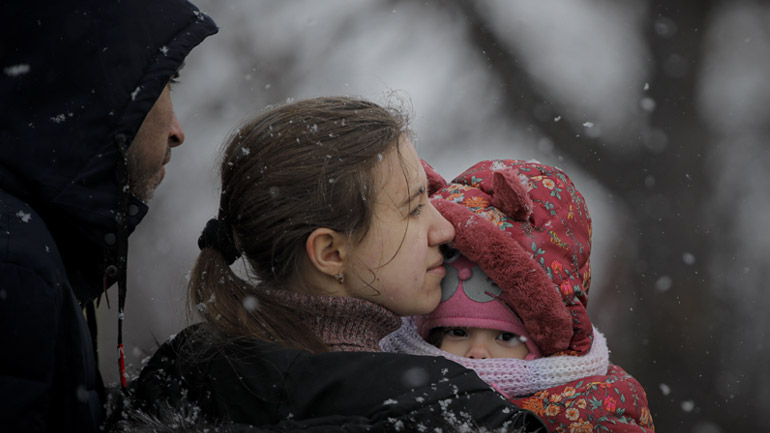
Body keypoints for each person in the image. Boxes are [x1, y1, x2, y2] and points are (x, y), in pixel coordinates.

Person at [125, 96, 546, 432]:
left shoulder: (180, 379)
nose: (445, 230)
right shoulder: (440, 407)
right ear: (330, 253)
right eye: (414, 208)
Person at [0, 1, 217, 431]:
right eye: (165, 82)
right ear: (102, 93)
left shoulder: (33, 245)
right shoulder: (15, 264)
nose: (178, 132)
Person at [381, 159, 655, 432]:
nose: (478, 353)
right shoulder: (404, 393)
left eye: (505, 337)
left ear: (542, 347)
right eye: (458, 333)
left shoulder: (587, 410)